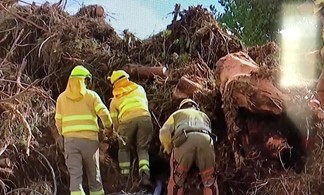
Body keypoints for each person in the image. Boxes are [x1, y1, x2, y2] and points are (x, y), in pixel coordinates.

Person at [55, 65, 112, 195]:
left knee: (75, 177)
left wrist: (64, 134)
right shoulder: (91, 96)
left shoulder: (61, 99)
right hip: (90, 142)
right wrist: (108, 128)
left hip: (70, 142)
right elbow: (104, 113)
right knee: (94, 176)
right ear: (83, 81)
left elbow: (58, 122)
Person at [159, 98, 219, 195]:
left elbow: (164, 132)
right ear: (196, 107)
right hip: (206, 141)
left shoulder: (177, 114)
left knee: (176, 182)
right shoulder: (204, 116)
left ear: (181, 107)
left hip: (184, 140)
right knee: (210, 181)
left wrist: (168, 147)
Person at [108, 70, 153, 187]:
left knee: (124, 149)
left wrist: (118, 134)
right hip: (145, 118)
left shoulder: (115, 100)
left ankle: (125, 178)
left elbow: (114, 121)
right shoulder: (139, 89)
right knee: (143, 149)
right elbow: (145, 104)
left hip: (126, 122)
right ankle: (145, 176)